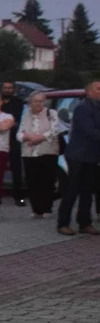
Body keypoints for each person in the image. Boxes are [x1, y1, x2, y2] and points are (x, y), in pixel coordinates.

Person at [58, 80, 100, 235]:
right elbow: (89, 130)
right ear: (88, 92)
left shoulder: (97, 107)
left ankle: (84, 223)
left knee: (87, 191)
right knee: (72, 189)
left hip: (92, 156)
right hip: (78, 155)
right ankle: (63, 223)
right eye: (98, 89)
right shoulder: (82, 108)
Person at [17, 92, 63, 219]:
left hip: (47, 152)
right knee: (32, 181)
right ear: (30, 103)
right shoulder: (26, 115)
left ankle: (47, 208)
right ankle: (36, 209)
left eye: (40, 101)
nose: (37, 104)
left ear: (44, 102)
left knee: (47, 181)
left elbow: (55, 130)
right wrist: (26, 137)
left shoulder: (51, 113)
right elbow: (19, 133)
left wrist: (39, 138)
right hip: (29, 153)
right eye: (35, 101)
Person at [0, 81, 27, 207]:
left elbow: (15, 120)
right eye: (5, 88)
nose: (7, 90)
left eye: (10, 88)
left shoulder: (18, 102)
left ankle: (19, 198)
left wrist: (6, 123)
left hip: (14, 140)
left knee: (16, 170)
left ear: (13, 89)